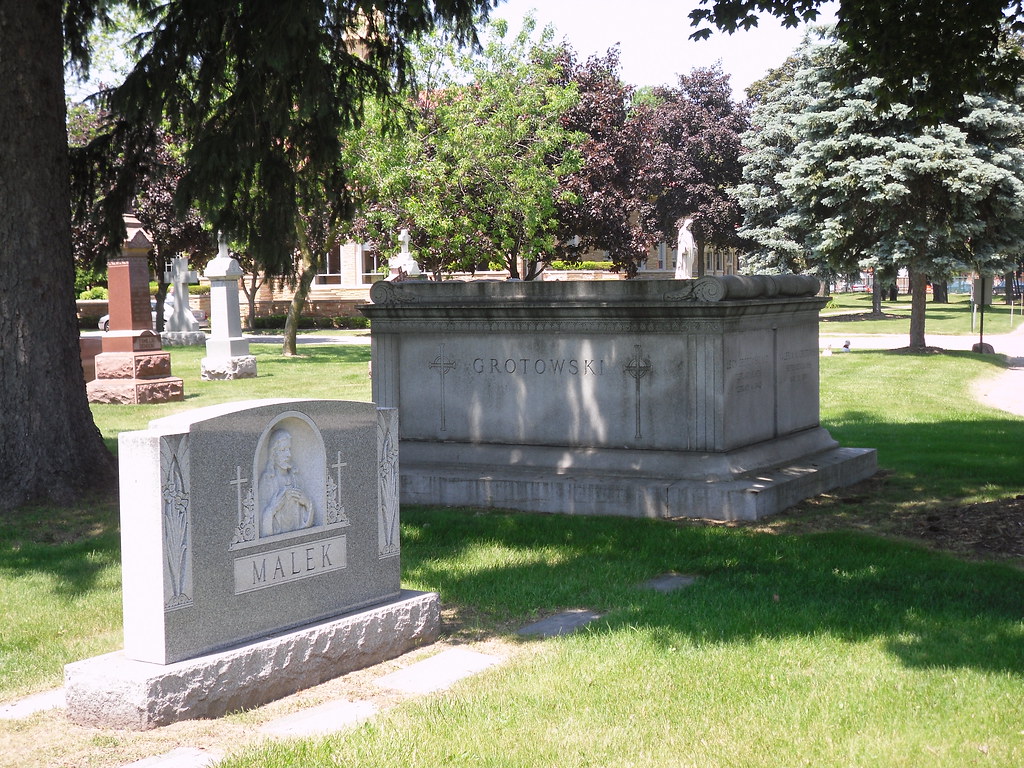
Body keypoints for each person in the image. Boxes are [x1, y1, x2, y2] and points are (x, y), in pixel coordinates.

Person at [259, 428, 316, 536]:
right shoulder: (267, 482)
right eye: (283, 450)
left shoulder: (296, 478)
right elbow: (263, 530)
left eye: (289, 449)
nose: (288, 454)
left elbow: (306, 526)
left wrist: (307, 503)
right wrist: (273, 508)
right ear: (273, 454)